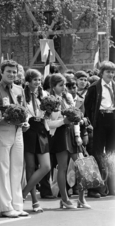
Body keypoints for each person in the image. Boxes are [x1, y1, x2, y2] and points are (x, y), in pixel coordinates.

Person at [0, 60, 29, 218]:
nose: (12, 74)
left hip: (18, 131)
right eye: (8, 71)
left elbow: (24, 110)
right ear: (1, 72)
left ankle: (17, 205)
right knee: (3, 169)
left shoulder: (19, 89)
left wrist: (25, 122)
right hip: (3, 130)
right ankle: (5, 206)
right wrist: (7, 119)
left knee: (17, 168)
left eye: (14, 71)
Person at [47, 73, 91, 209]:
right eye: (61, 85)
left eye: (65, 85)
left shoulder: (69, 97)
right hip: (59, 136)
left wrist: (78, 135)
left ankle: (81, 199)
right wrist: (62, 121)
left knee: (81, 167)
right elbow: (48, 124)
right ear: (53, 86)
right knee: (63, 168)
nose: (64, 88)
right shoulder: (48, 100)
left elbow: (76, 117)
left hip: (72, 134)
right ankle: (65, 199)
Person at [84, 61, 115, 197]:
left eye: (113, 72)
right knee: (97, 154)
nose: (111, 74)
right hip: (100, 121)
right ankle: (95, 188)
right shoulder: (94, 88)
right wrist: (90, 123)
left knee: (111, 154)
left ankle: (110, 187)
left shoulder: (114, 86)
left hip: (112, 119)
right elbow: (88, 106)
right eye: (108, 72)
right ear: (101, 73)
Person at [22, 69, 51, 212]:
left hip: (41, 128)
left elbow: (48, 114)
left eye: (39, 80)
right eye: (35, 80)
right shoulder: (22, 94)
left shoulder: (44, 94)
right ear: (28, 81)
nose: (38, 82)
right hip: (28, 129)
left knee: (46, 166)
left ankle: (22, 193)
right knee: (30, 166)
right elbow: (22, 111)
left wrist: (49, 112)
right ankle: (34, 201)